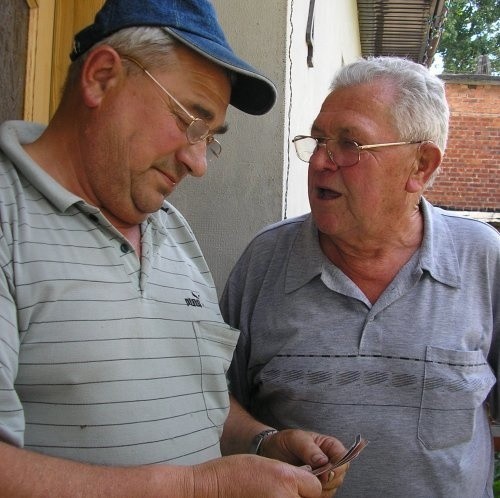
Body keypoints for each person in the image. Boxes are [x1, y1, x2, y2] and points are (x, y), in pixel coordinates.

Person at [0, 0, 350, 496]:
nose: (198, 162)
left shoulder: (171, 228)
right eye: (191, 120)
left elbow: (193, 391)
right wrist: (193, 489)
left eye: (210, 138)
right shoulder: (8, 216)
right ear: (101, 77)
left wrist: (261, 442)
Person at [221, 56, 500, 498]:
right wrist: (264, 441)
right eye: (318, 141)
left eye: (349, 145)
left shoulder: (483, 259)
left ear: (421, 166)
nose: (319, 162)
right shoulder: (266, 260)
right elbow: (211, 401)